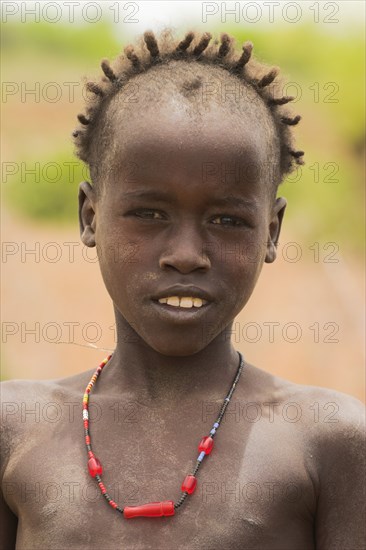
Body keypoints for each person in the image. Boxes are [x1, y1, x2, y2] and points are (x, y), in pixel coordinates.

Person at [1, 28, 365, 550]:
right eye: (149, 214)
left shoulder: (329, 440)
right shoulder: (16, 429)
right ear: (90, 215)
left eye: (226, 219)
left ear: (272, 231)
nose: (187, 254)